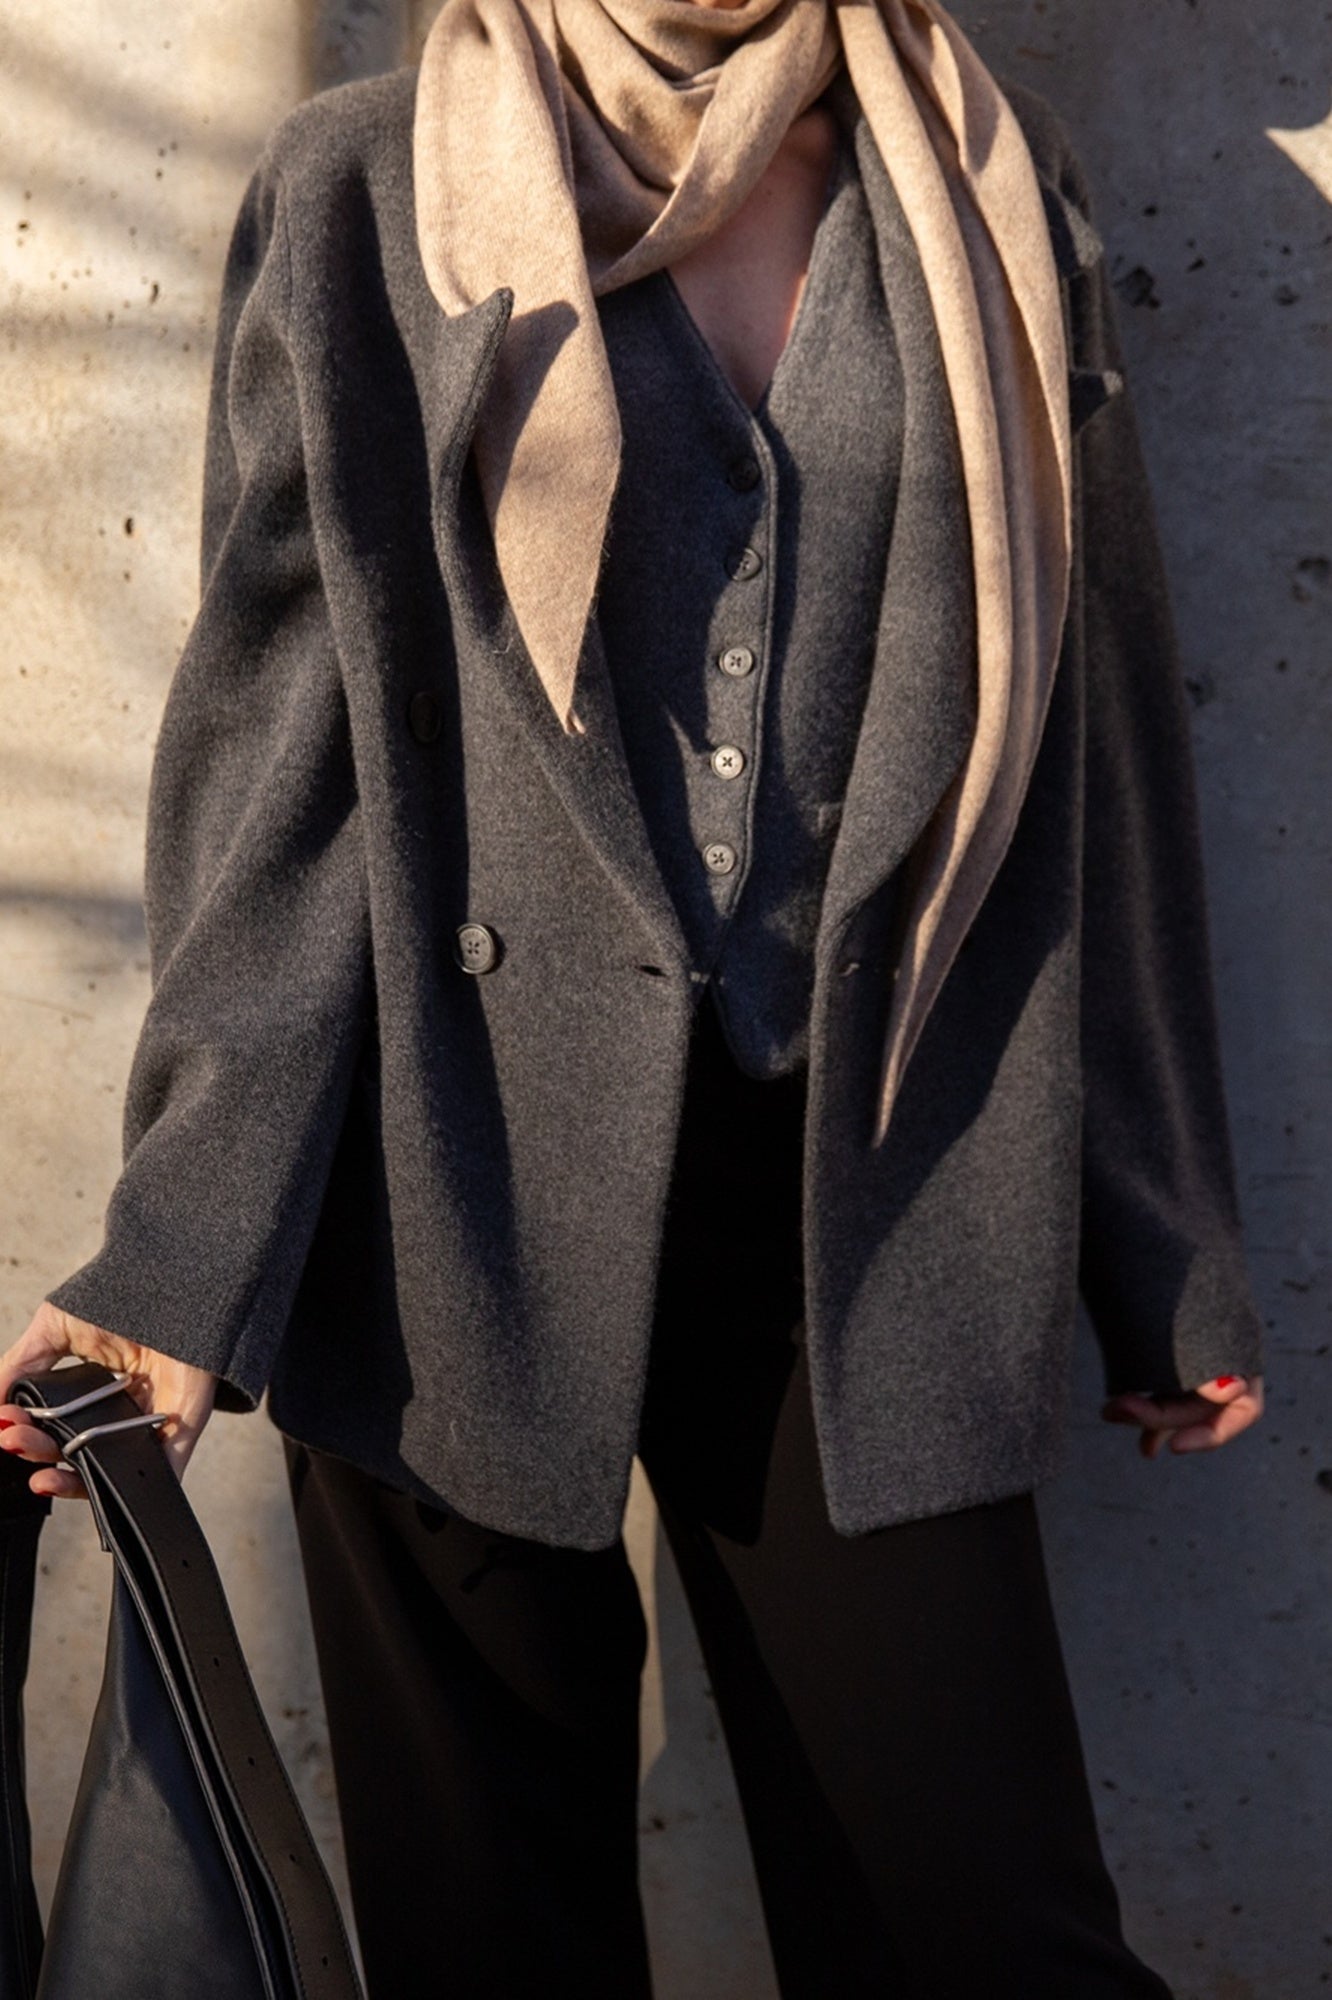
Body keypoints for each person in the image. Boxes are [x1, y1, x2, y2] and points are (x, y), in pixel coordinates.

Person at [1, 0, 1266, 1993]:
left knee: (984, 1931)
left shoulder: (984, 183)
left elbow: (1085, 751)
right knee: (492, 1945)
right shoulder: (361, 196)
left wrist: (1161, 1232)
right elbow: (281, 772)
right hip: (446, 1211)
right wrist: (184, 1247)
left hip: (872, 1209)